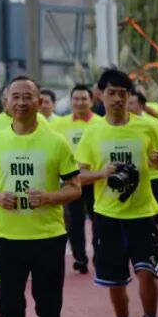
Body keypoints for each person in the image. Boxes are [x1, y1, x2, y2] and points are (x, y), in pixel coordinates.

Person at [0, 76, 80, 317]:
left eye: (28, 97)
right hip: (8, 238)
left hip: (48, 238)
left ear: (39, 102)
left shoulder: (56, 142)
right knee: (7, 305)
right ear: (6, 103)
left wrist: (49, 197)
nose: (22, 102)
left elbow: (75, 187)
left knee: (49, 307)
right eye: (15, 96)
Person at [75, 69, 158, 317]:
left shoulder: (146, 128)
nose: (117, 99)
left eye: (123, 93)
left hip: (141, 214)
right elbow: (79, 176)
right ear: (100, 96)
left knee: (147, 272)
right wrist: (102, 173)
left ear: (130, 96)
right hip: (107, 217)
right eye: (112, 93)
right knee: (115, 280)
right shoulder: (93, 133)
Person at [55, 84, 99, 274]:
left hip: (95, 180)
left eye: (84, 99)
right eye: (76, 99)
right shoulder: (59, 124)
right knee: (74, 221)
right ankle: (80, 258)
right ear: (71, 101)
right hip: (71, 181)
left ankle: (99, 256)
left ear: (91, 101)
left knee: (98, 221)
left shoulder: (100, 123)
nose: (80, 102)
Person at [127, 90, 158, 241]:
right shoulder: (121, 124)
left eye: (131, 103)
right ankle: (151, 238)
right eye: (127, 103)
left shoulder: (152, 123)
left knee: (155, 205)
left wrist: (157, 159)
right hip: (131, 175)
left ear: (141, 105)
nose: (127, 106)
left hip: (152, 175)